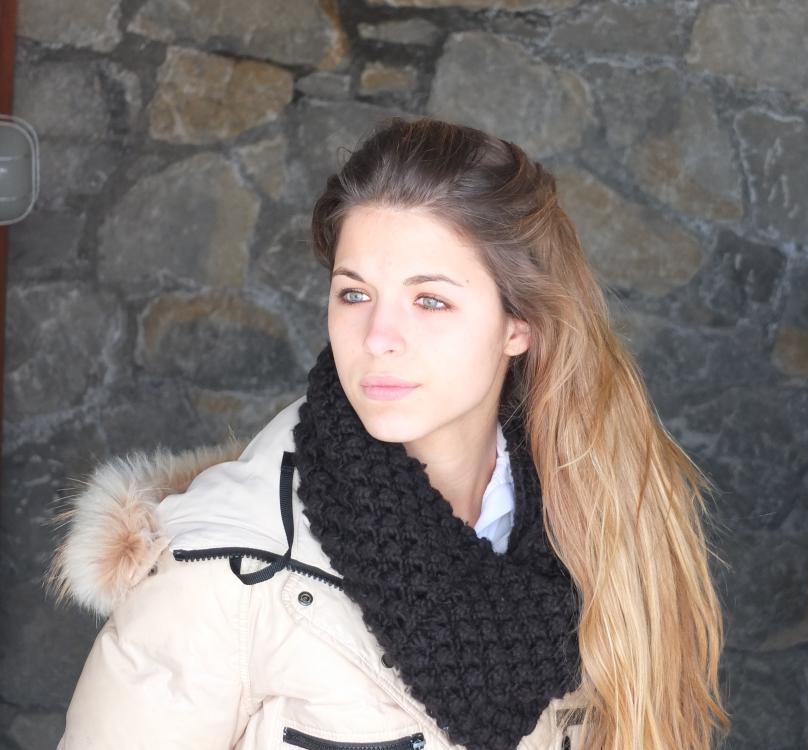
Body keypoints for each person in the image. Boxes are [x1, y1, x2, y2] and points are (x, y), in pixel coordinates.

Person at [51, 117, 728, 750]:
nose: (378, 337)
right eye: (354, 294)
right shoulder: (226, 566)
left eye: (429, 300)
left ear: (517, 325)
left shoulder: (601, 532)